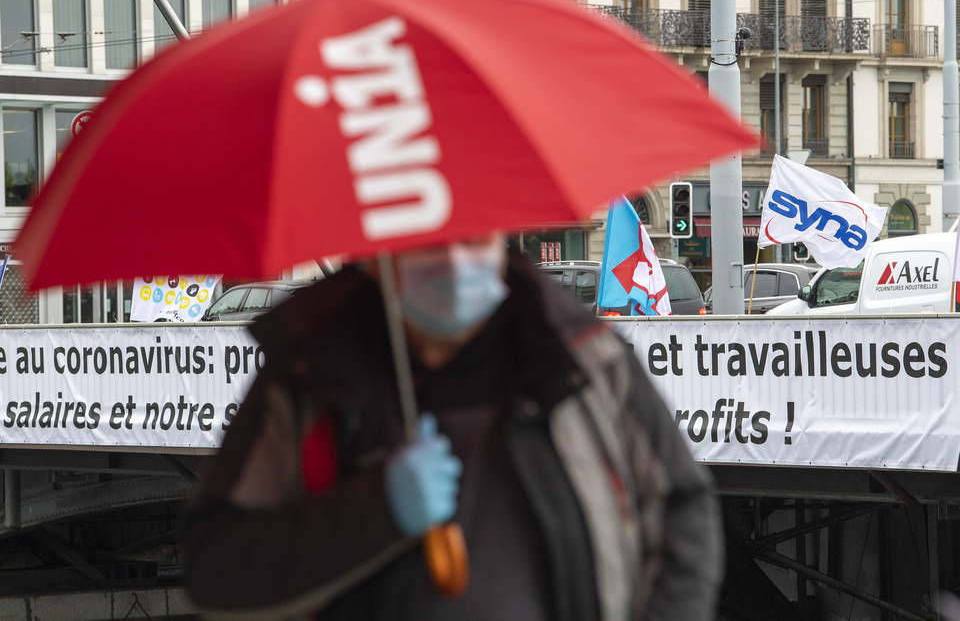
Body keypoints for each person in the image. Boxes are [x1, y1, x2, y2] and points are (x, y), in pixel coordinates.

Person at [182, 233, 723, 620]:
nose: (456, 261)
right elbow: (217, 568)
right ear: (376, 258)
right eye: (429, 241)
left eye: (474, 236)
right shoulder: (308, 379)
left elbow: (682, 513)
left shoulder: (585, 360)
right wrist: (376, 510)